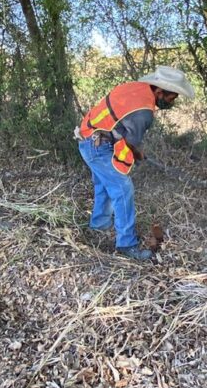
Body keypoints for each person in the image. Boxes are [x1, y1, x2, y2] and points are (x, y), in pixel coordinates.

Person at [75, 66, 195, 260]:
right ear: (159, 90)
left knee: (104, 185)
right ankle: (126, 245)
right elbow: (131, 142)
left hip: (88, 137)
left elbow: (121, 126)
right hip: (97, 144)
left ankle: (99, 225)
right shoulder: (143, 112)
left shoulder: (134, 88)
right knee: (123, 189)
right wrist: (138, 154)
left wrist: (136, 150)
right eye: (171, 97)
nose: (172, 102)